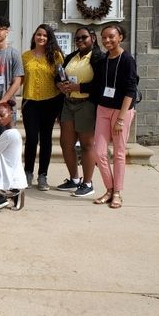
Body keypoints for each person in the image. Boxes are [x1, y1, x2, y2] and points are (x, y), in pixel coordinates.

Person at [92, 24, 138, 209]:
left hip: (122, 111)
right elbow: (96, 86)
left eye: (111, 36)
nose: (107, 40)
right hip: (103, 109)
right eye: (104, 37)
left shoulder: (127, 59)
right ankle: (109, 189)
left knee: (119, 153)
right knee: (99, 152)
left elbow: (131, 89)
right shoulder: (103, 60)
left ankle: (117, 192)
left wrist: (120, 118)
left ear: (120, 37)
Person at [56, 26, 103, 198]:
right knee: (65, 143)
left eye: (84, 38)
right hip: (69, 103)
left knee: (86, 145)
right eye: (77, 39)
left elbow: (100, 85)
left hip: (87, 104)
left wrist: (78, 87)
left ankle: (88, 183)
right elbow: (60, 76)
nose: (80, 41)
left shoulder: (98, 58)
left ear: (93, 38)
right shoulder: (72, 57)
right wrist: (60, 85)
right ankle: (74, 179)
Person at [21, 24, 64, 190]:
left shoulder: (56, 56)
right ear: (34, 36)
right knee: (32, 138)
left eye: (45, 36)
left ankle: (42, 175)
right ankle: (28, 172)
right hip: (30, 102)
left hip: (50, 101)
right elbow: (19, 79)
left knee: (46, 139)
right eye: (39, 35)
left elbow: (61, 78)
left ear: (49, 38)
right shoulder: (25, 56)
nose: (41, 38)